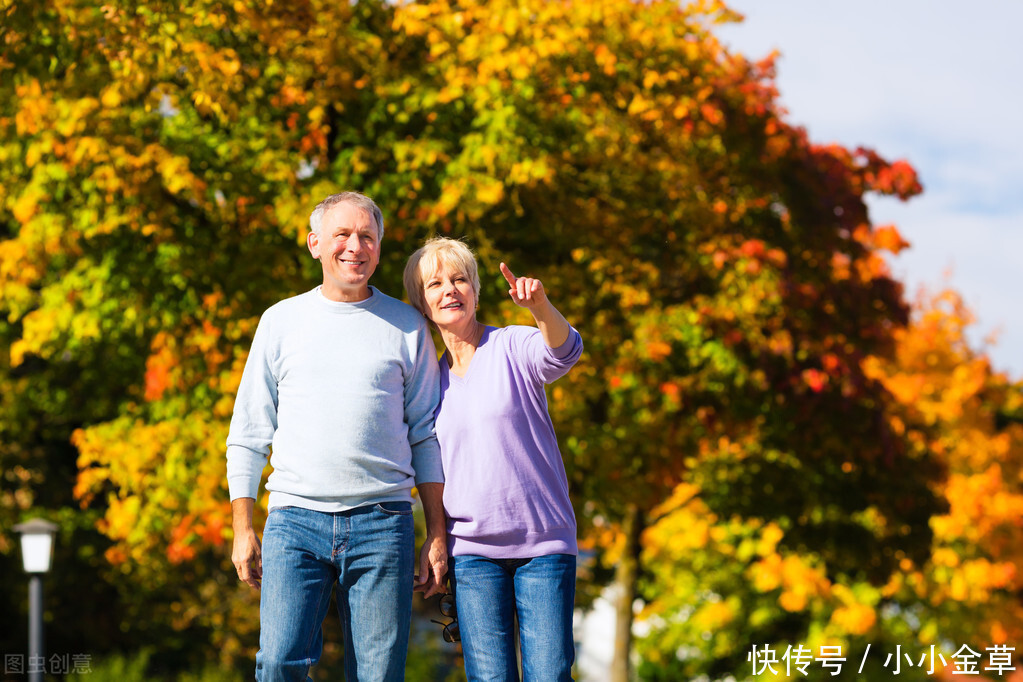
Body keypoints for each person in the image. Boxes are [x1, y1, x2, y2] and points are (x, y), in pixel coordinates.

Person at [227, 192, 448, 682]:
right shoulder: (280, 322)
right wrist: (243, 527)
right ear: (315, 244)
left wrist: (436, 532)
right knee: (280, 663)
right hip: (293, 521)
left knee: (377, 674)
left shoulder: (408, 327)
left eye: (367, 236)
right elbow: (247, 432)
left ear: (379, 247)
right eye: (342, 235)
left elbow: (426, 437)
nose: (355, 246)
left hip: (383, 522)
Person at [403, 238, 583, 681]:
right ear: (421, 303)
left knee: (549, 675)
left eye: (460, 279)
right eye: (435, 283)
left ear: (476, 291)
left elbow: (565, 351)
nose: (449, 290)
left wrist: (540, 307)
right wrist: (437, 539)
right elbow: (430, 471)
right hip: (473, 557)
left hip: (543, 546)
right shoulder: (427, 385)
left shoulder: (513, 346)